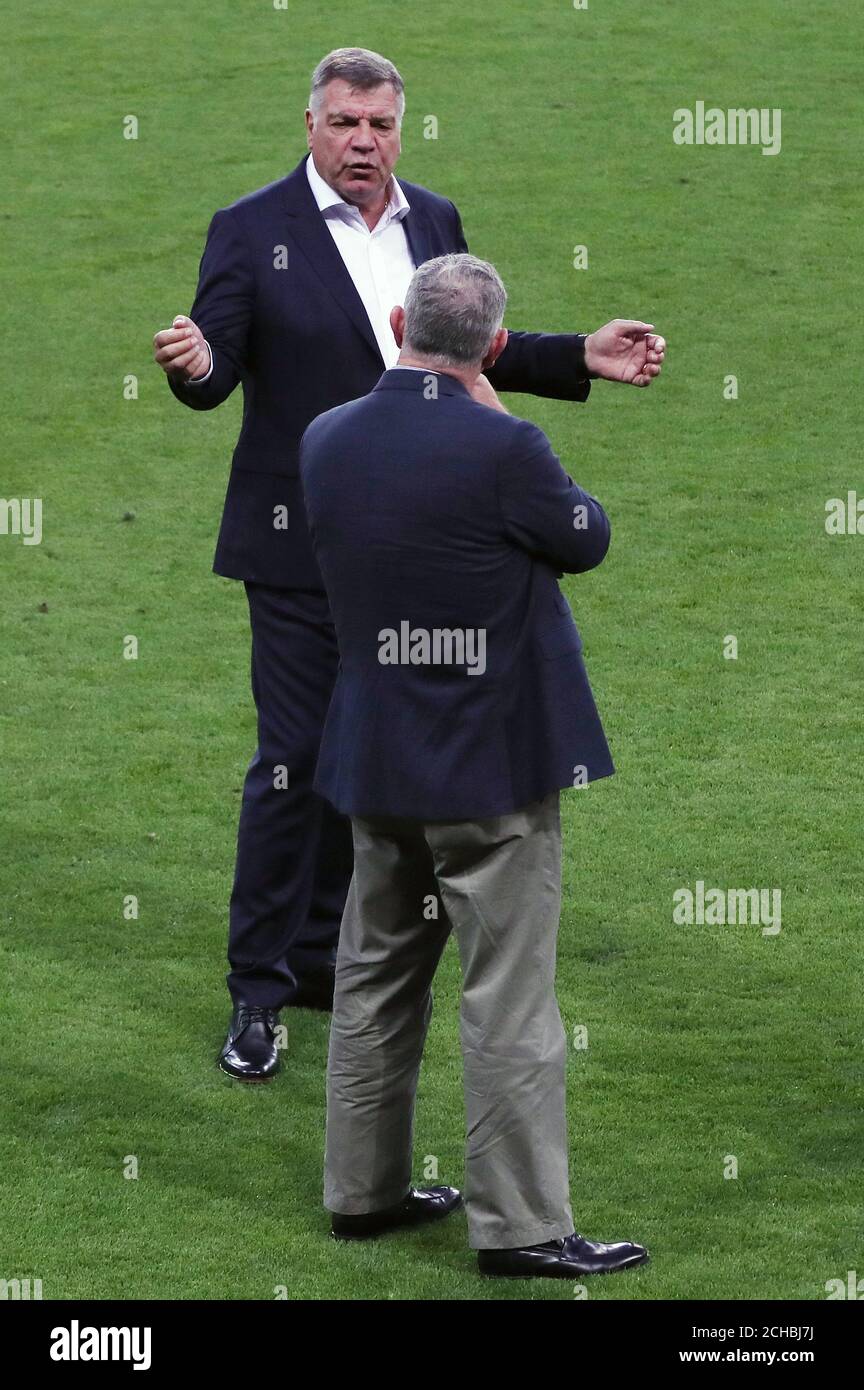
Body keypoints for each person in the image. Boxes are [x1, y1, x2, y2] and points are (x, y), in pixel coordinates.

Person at [152, 47, 665, 1083]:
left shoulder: (434, 219)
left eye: (380, 125)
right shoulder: (253, 232)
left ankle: (318, 961)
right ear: (309, 125)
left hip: (414, 547)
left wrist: (577, 356)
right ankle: (256, 992)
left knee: (363, 761)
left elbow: (463, 344)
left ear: (402, 129)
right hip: (299, 548)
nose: (362, 142)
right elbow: (215, 358)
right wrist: (200, 367)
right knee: (294, 760)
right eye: (344, 122)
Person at [299, 253, 652, 1280]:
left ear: (401, 317)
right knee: (506, 996)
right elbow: (587, 536)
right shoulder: (506, 447)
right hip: (489, 770)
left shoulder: (327, 437)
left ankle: (362, 1195)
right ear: (493, 345)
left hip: (373, 760)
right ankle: (523, 1226)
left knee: (372, 980)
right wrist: (496, 410)